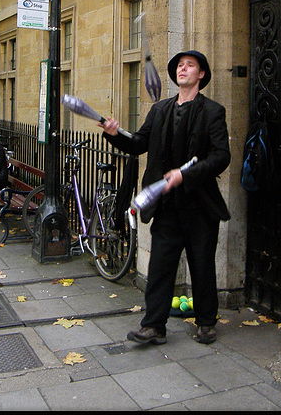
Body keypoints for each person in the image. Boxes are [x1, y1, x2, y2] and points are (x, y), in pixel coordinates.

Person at [99, 50, 231, 345]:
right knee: (160, 267)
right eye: (180, 66)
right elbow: (139, 144)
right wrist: (114, 133)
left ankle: (207, 322)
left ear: (201, 75)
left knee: (202, 266)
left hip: (200, 206)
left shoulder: (212, 111)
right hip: (167, 207)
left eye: (190, 66)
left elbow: (222, 157)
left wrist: (186, 175)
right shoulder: (160, 110)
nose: (183, 69)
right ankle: (154, 326)